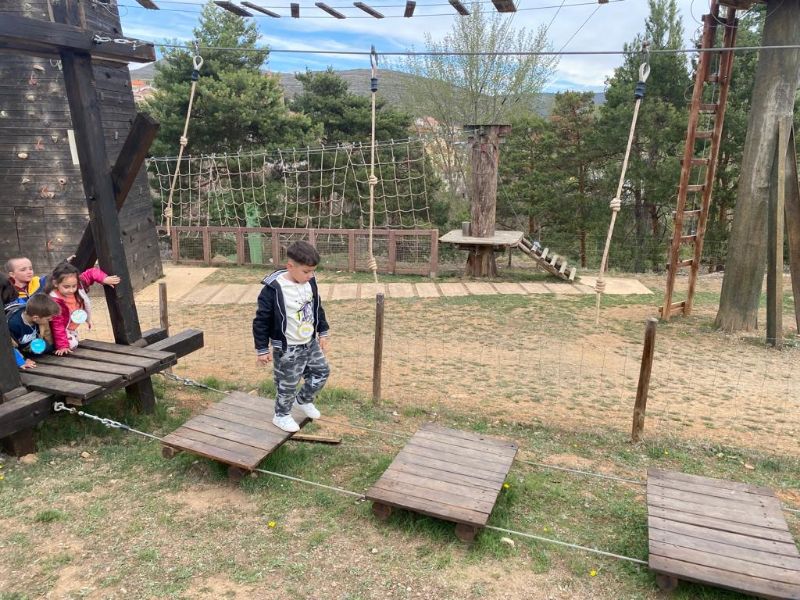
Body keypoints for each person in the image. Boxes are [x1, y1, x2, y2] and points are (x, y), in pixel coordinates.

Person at [253, 241, 331, 433]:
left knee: (322, 371)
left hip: (309, 342)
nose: (310, 275)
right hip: (288, 347)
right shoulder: (273, 289)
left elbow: (316, 307)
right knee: (287, 384)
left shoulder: (310, 282)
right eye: (306, 271)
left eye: (313, 271)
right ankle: (281, 415)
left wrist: (323, 331)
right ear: (290, 266)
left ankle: (303, 400)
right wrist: (262, 349)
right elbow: (261, 321)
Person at [46, 261, 121, 356]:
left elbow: (92, 273)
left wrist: (104, 278)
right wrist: (62, 346)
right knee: (71, 345)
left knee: (73, 343)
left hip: (72, 327)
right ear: (55, 283)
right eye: (66, 287)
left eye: (74, 286)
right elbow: (57, 325)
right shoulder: (55, 301)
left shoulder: (79, 285)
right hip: (63, 329)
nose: (71, 290)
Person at [6, 293, 60, 369]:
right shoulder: (14, 324)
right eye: (48, 319)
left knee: (47, 348)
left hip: (31, 345)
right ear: (35, 318)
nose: (51, 320)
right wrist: (22, 360)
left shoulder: (38, 317)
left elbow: (48, 334)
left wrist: (54, 346)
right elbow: (9, 345)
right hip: (16, 348)